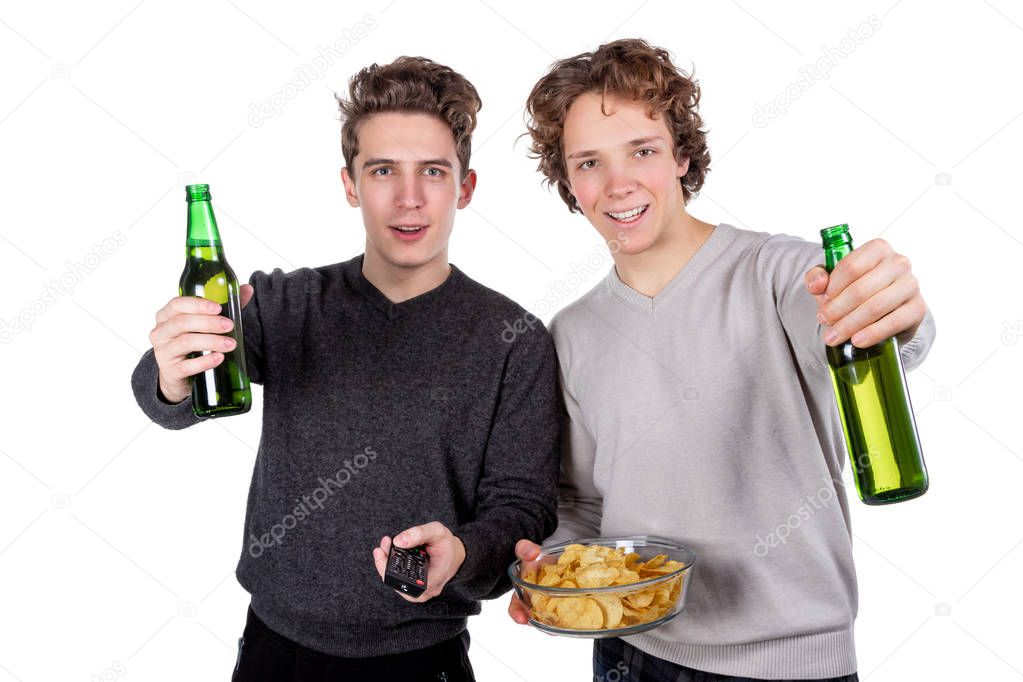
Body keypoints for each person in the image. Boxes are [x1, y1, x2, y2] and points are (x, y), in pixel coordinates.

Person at [508, 39, 935, 681]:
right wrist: (555, 569)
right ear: (568, 181)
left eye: (643, 151)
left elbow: (874, 331)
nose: (618, 183)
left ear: (681, 155)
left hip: (792, 666)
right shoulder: (568, 333)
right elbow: (586, 503)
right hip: (631, 654)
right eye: (590, 161)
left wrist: (895, 311)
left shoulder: (781, 273)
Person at [131, 56, 561, 681]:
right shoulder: (286, 304)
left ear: (464, 188)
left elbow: (523, 509)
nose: (409, 198)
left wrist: (465, 552)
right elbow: (163, 395)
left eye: (433, 172)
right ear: (351, 184)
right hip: (275, 650)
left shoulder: (514, 338)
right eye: (383, 170)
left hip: (423, 659)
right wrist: (172, 372)